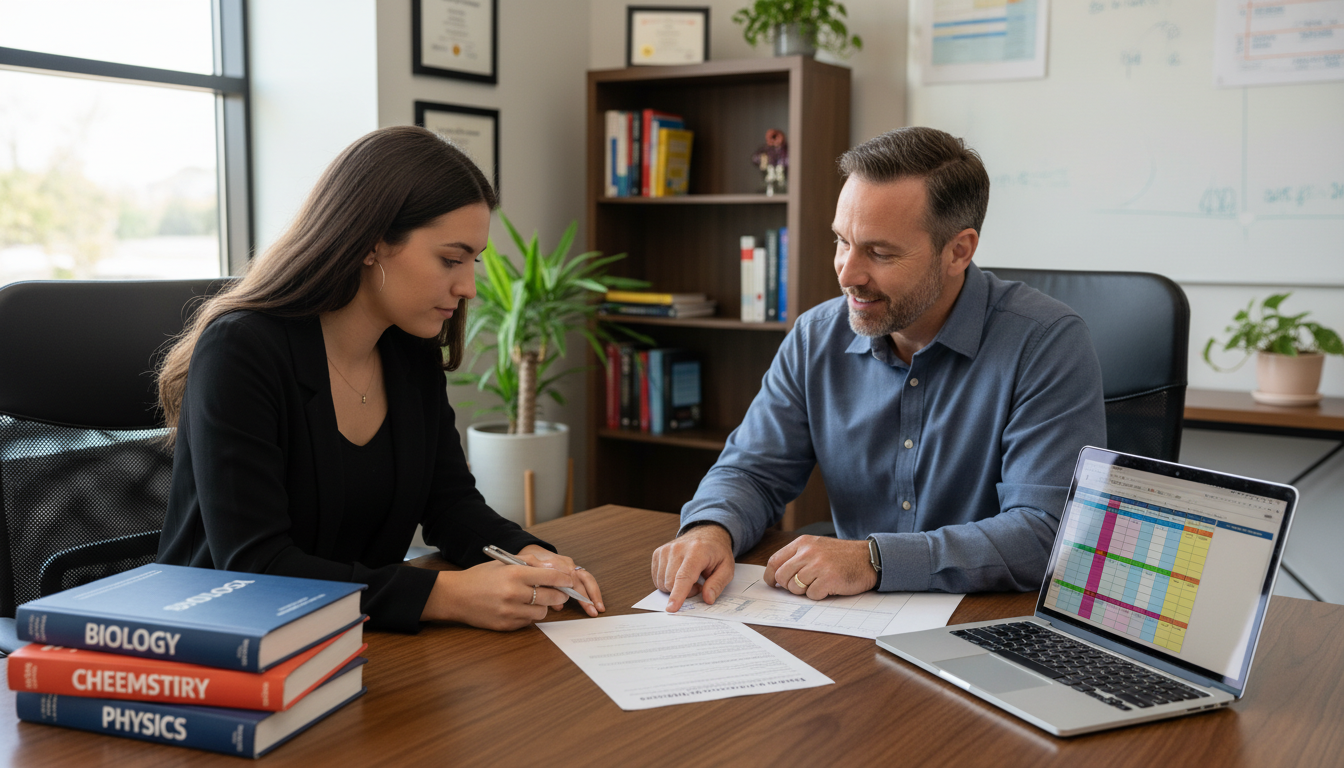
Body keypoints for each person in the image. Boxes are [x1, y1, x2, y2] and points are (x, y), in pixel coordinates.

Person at [157, 126, 603, 633]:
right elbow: (258, 569)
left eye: (473, 262)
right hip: (222, 645)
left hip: (355, 642)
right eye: (451, 259)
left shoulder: (408, 352)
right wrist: (448, 596)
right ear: (372, 243)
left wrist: (529, 556)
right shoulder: (241, 351)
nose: (469, 286)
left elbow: (450, 505)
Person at [651, 127, 1106, 611]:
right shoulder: (816, 336)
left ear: (959, 250)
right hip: (848, 619)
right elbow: (752, 471)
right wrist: (711, 528)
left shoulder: (1045, 342)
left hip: (986, 621)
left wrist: (875, 560)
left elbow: (1046, 531)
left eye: (879, 252)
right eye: (842, 242)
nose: (847, 273)